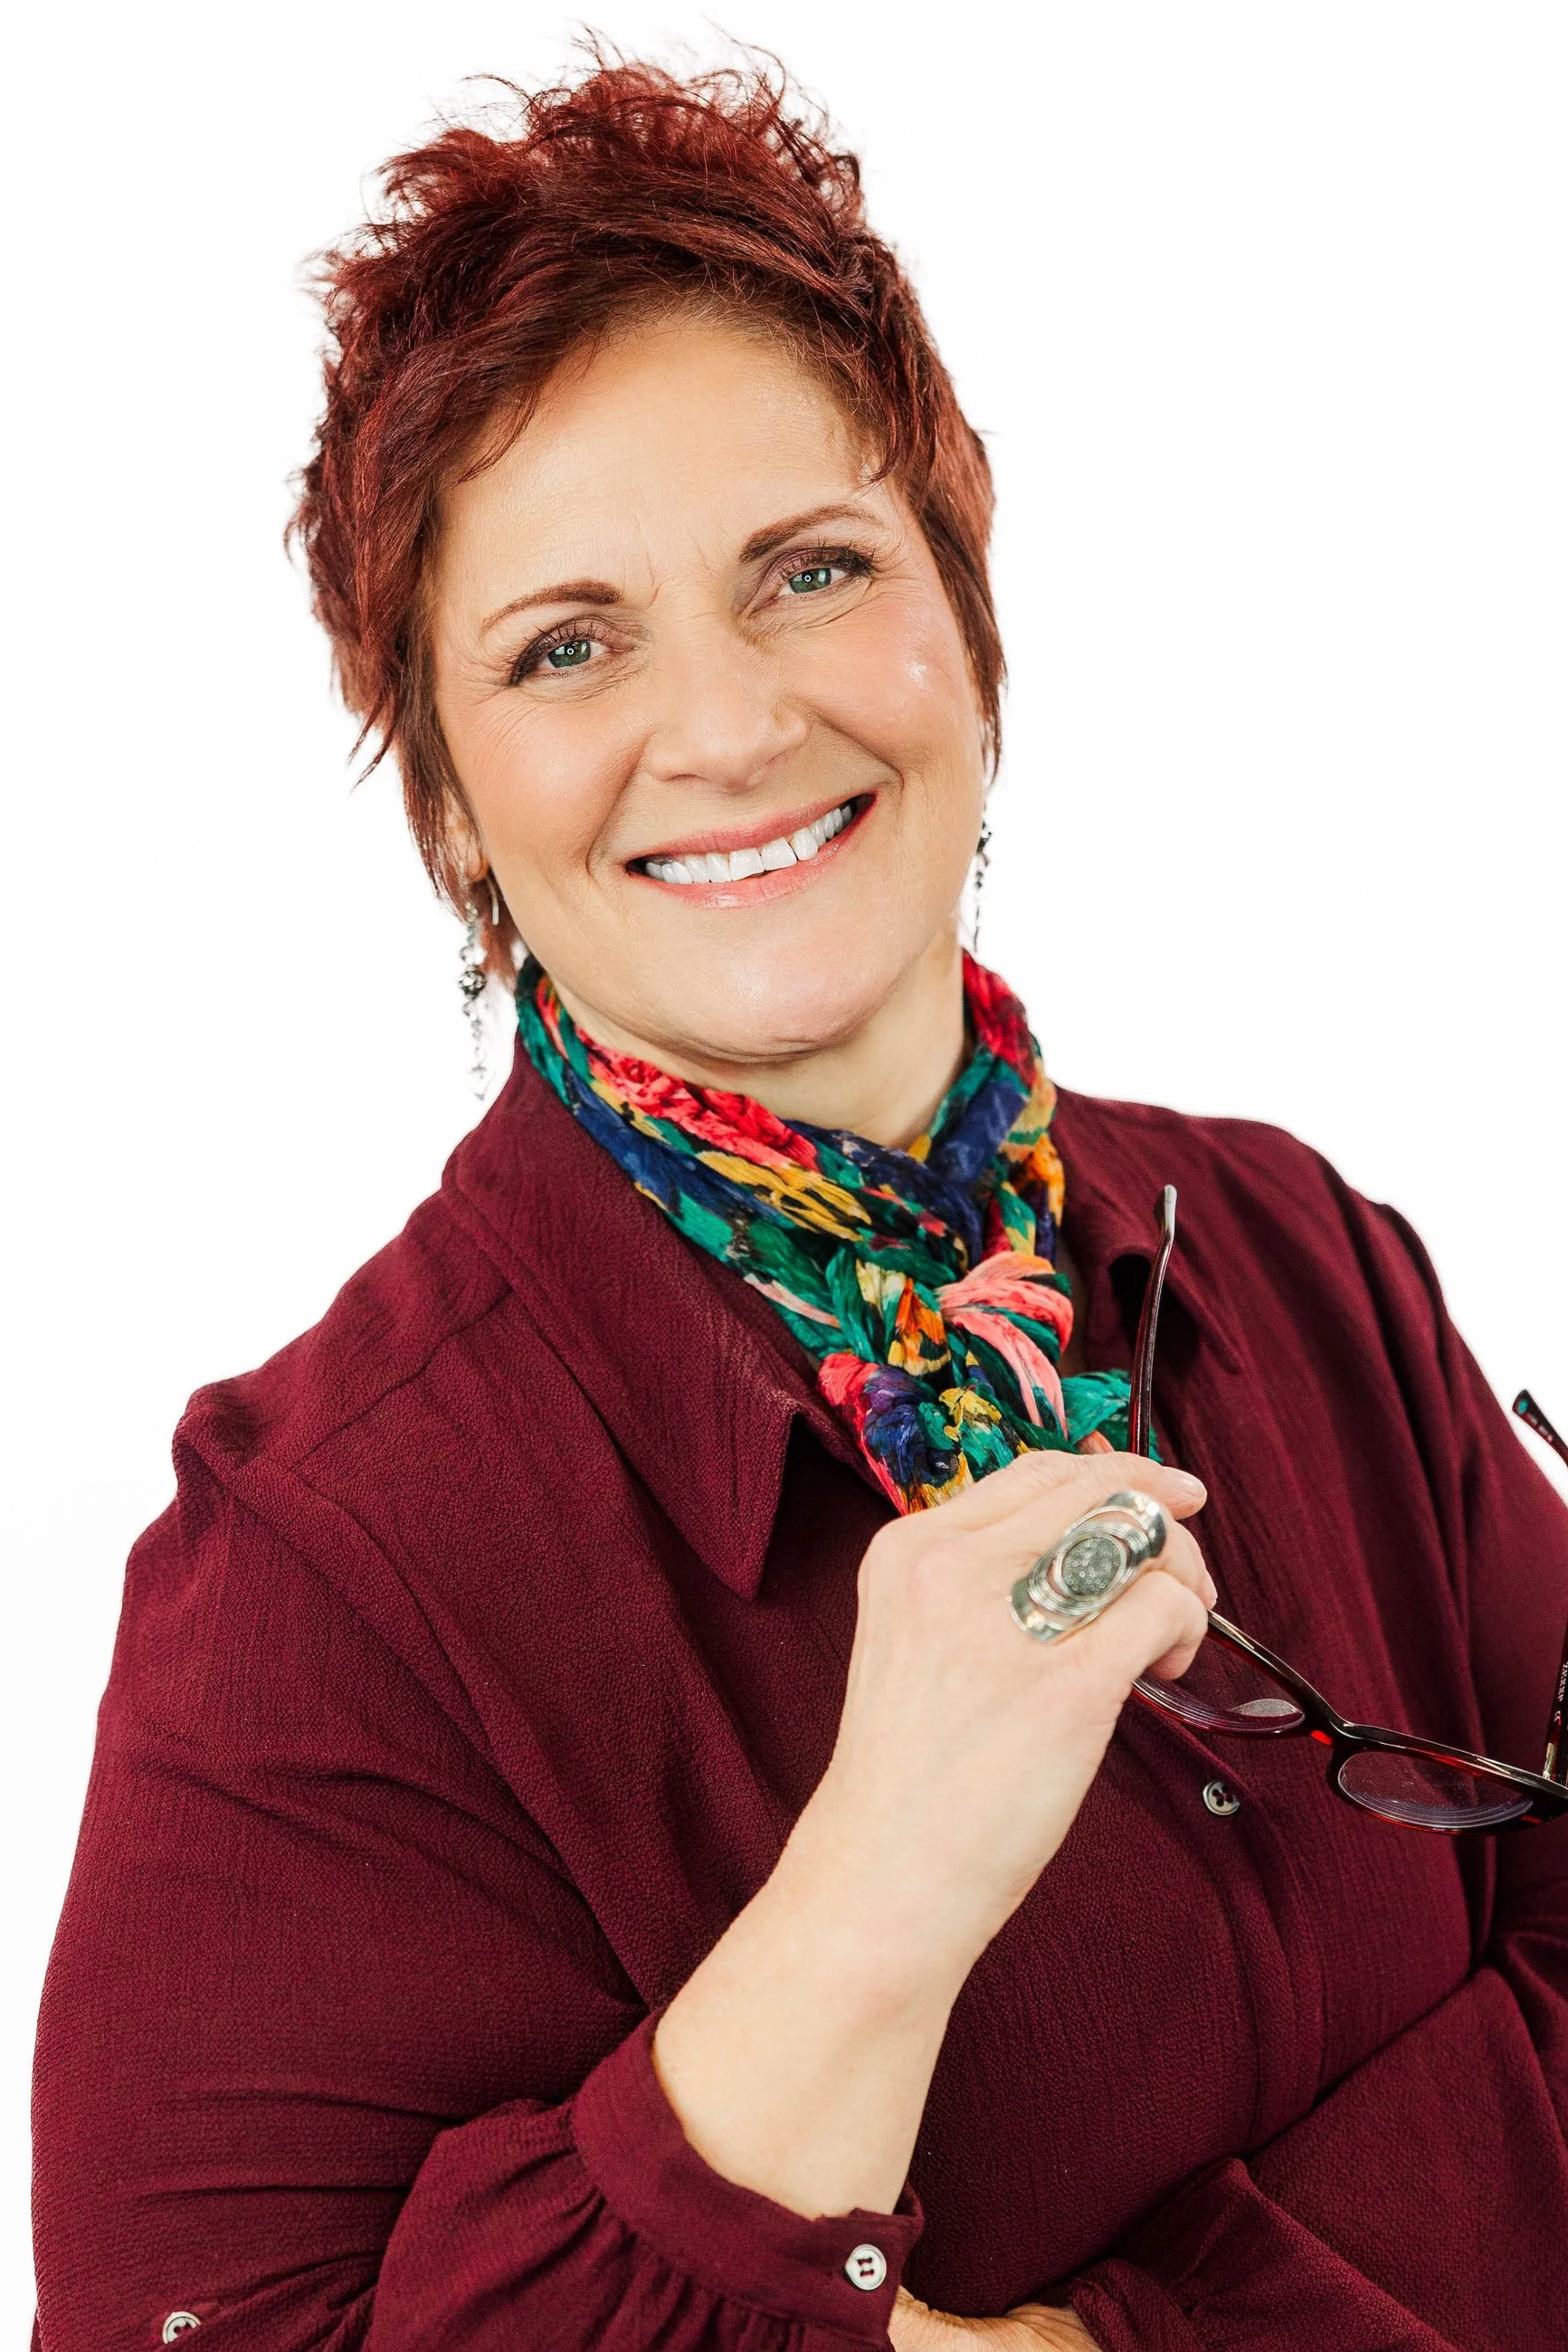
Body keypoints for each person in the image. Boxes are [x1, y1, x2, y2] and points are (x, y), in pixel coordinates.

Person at [31, 52, 1568, 2352]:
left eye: (810, 573)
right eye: (567, 644)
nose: (727, 725)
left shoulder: (1297, 1254)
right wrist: (874, 1892)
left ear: (965, 631)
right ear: (454, 808)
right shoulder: (317, 1579)